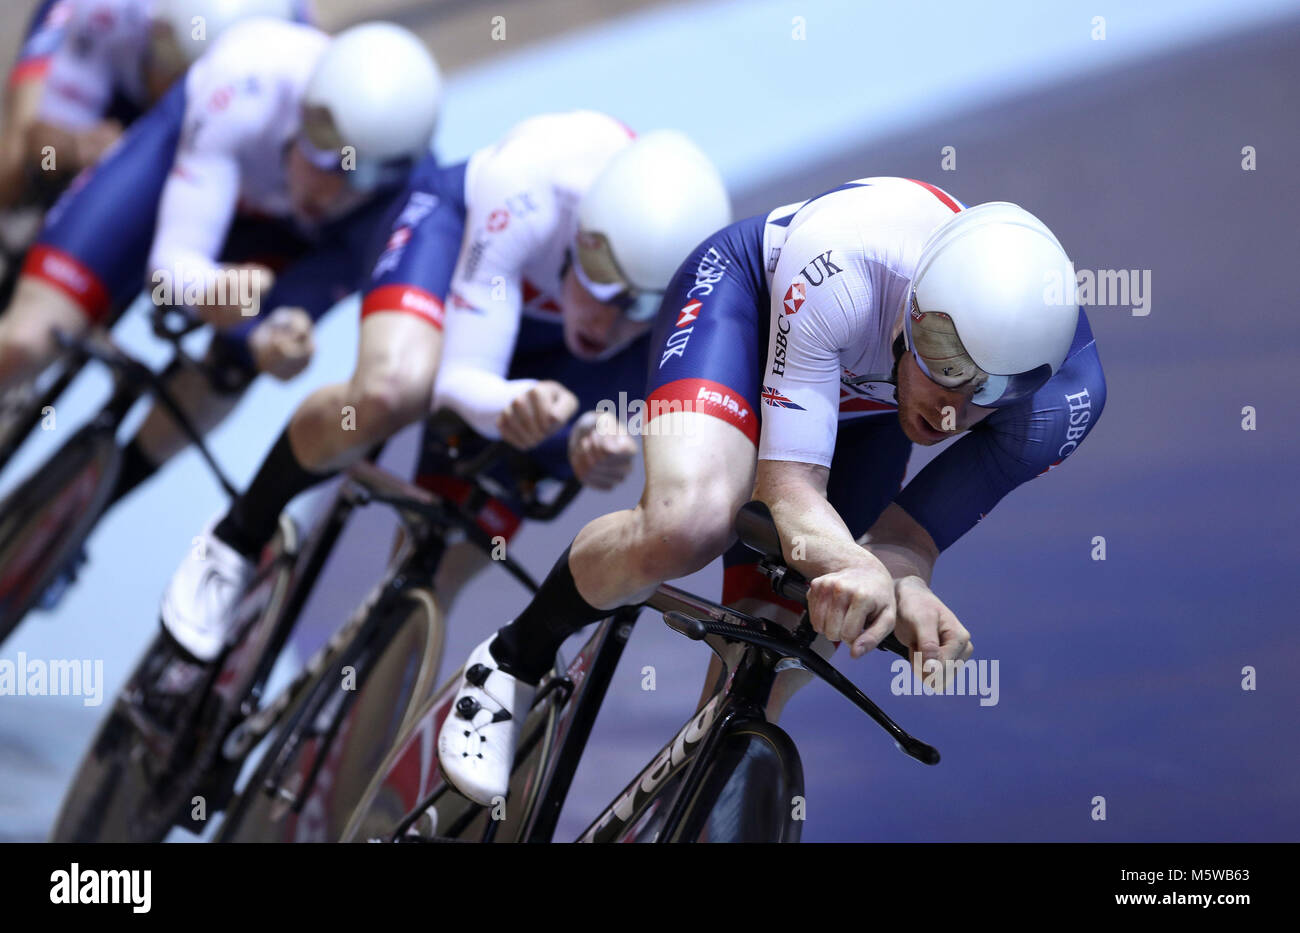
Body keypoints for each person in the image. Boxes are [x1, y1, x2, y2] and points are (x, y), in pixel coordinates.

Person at [436, 177, 1107, 805]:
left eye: (984, 390)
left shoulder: (1061, 401)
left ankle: (691, 799)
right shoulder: (842, 264)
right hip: (745, 310)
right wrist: (852, 563)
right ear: (913, 306)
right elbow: (787, 495)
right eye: (941, 357)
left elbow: (904, 542)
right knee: (689, 522)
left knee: (786, 640)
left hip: (865, 403)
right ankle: (510, 661)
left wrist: (904, 582)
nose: (948, 407)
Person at [161, 111, 732, 666]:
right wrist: (515, 404)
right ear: (580, 235)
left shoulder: (695, 301)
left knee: (437, 577)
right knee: (389, 392)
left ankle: (349, 750)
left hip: (554, 349)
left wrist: (592, 441)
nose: (605, 322)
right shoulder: (528, 188)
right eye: (600, 281)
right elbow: (457, 380)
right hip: (460, 242)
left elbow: (629, 434)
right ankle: (236, 535)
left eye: (640, 306)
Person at [0, 17, 441, 591]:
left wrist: (274, 342)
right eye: (323, 155)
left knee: (234, 368)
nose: (331, 189)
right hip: (179, 185)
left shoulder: (400, 203)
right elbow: (171, 268)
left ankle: (80, 515)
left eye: (362, 175)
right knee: (28, 339)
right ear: (304, 113)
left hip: (281, 251)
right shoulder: (249, 81)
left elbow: (289, 315)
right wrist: (208, 293)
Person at [2, 0, 312, 209]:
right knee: (20, 164)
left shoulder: (293, 46)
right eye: (178, 75)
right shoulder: (104, 11)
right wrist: (67, 149)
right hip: (109, 64)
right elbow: (22, 161)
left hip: (239, 109)